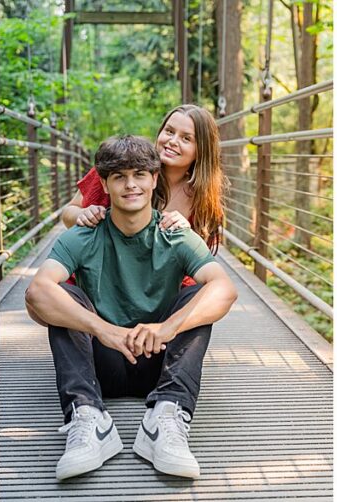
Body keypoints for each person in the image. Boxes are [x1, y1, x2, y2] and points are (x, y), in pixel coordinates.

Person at [25, 135, 237, 480]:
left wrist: (166, 328)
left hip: (160, 359)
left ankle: (166, 417)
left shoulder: (175, 234)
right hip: (100, 363)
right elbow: (36, 293)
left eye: (139, 174)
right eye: (119, 177)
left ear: (154, 179)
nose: (130, 185)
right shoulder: (82, 235)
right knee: (61, 295)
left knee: (200, 296)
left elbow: (225, 289)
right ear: (104, 184)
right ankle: (88, 418)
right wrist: (103, 330)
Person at [61, 104, 227, 254]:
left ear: (202, 150)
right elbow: (68, 213)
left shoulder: (204, 198)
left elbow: (200, 258)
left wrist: (186, 233)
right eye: (169, 131)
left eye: (186, 138)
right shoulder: (118, 165)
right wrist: (83, 215)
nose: (172, 141)